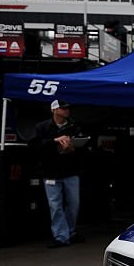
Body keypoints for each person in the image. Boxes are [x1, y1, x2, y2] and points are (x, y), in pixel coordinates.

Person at [32, 99, 83, 248]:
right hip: (51, 171)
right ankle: (61, 236)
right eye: (63, 108)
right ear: (54, 110)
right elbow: (35, 145)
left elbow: (82, 146)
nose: (66, 111)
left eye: (67, 108)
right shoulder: (42, 127)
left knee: (74, 204)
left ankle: (69, 232)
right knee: (56, 205)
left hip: (70, 170)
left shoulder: (74, 126)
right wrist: (55, 141)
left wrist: (72, 147)